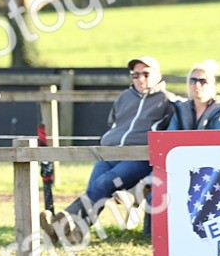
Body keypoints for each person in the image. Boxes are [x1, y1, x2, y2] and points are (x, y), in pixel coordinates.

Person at [60, 55, 180, 242]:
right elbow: (114, 122)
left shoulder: (168, 101)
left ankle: (64, 219)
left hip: (139, 157)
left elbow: (188, 112)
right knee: (94, 187)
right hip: (110, 153)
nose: (140, 79)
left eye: (146, 74)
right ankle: (77, 232)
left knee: (104, 183)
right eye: (136, 75)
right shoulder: (125, 97)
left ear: (158, 75)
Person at [168, 61, 220, 131]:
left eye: (202, 81)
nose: (197, 85)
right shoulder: (180, 110)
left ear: (211, 84)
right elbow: (170, 136)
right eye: (193, 80)